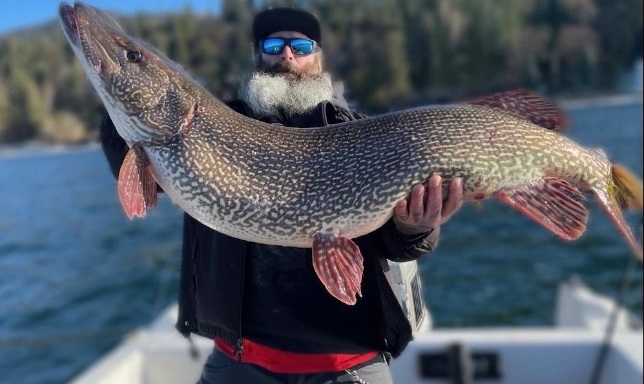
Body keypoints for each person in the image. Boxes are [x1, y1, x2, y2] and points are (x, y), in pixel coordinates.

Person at [99, 7, 464, 384]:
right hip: (239, 363)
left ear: (317, 56)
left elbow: (398, 246)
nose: (287, 56)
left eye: (300, 45)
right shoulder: (213, 124)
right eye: (274, 45)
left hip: (349, 365)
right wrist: (116, 99)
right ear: (258, 55)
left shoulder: (361, 133)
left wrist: (416, 226)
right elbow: (142, 177)